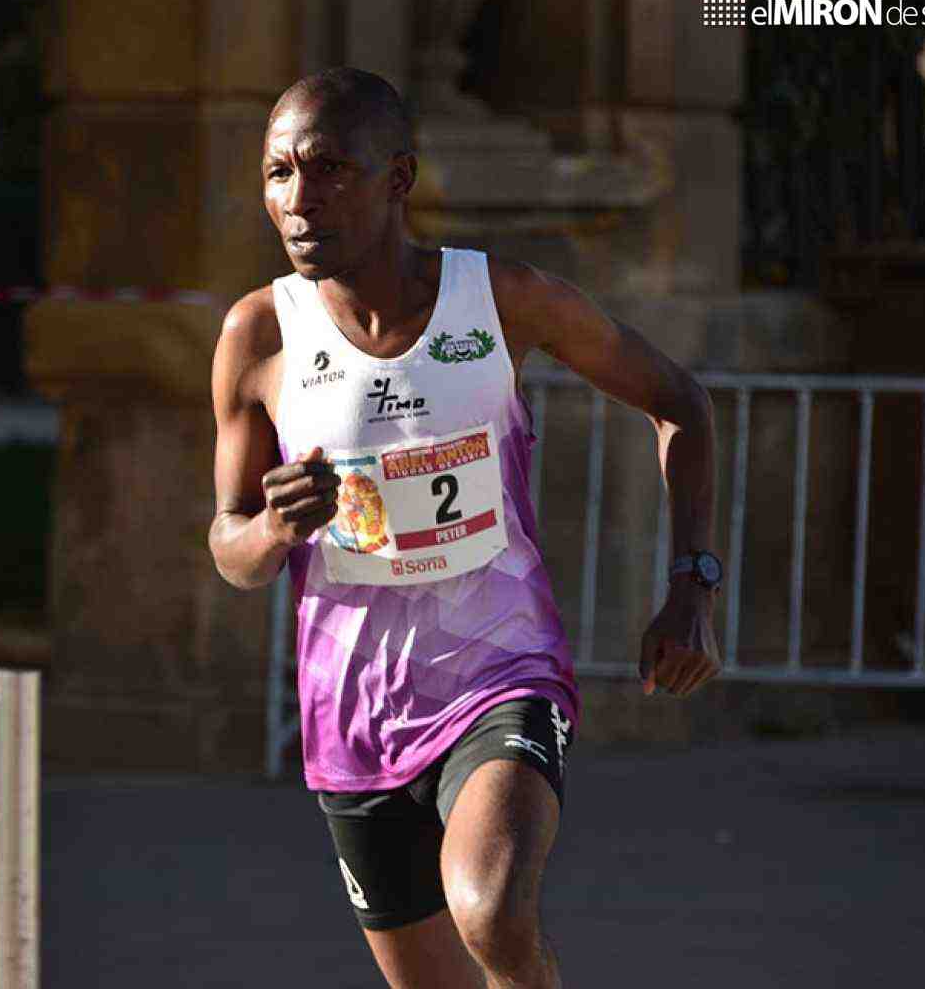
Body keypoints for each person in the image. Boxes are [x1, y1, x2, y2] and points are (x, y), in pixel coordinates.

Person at [208, 67, 722, 988]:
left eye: (326, 169)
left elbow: (678, 400)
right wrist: (277, 531)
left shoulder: (497, 300)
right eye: (277, 173)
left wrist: (692, 582)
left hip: (499, 673)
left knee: (491, 912)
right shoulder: (260, 335)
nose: (296, 199)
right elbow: (230, 548)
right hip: (351, 712)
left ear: (397, 178)